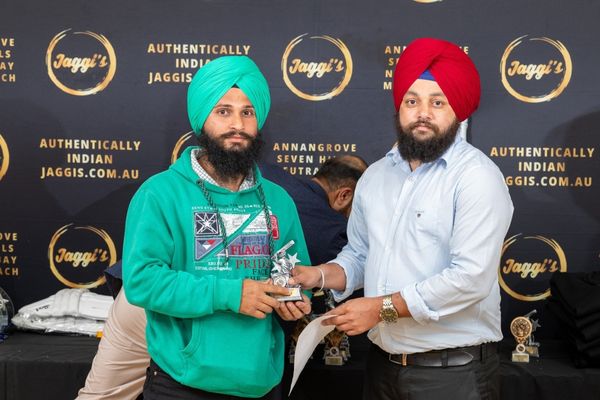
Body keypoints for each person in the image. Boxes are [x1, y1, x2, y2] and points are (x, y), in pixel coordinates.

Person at [290, 37, 514, 400]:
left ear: (458, 111)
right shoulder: (376, 176)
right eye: (412, 101)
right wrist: (318, 275)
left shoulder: (477, 177)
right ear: (399, 107)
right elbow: (360, 255)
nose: (422, 113)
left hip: (451, 376)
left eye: (437, 102)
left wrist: (380, 309)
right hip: (383, 368)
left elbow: (469, 279)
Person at [77, 155, 368, 400]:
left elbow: (292, 280)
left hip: (150, 304)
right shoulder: (330, 227)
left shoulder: (267, 176)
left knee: (103, 395)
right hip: (170, 305)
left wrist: (291, 297)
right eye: (358, 211)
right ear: (344, 195)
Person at [121, 55, 312, 400]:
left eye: (247, 112)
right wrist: (231, 295)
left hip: (260, 382)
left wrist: (294, 299)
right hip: (183, 383)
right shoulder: (160, 193)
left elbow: (294, 274)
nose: (237, 124)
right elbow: (142, 281)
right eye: (223, 111)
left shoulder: (279, 200)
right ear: (202, 119)